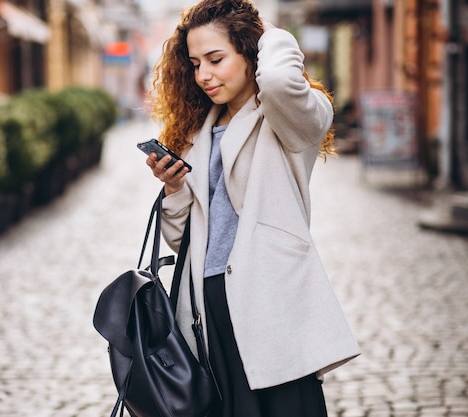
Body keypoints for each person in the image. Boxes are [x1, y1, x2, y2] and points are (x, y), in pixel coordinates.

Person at [143, 0, 361, 415]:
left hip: (269, 303)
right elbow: (183, 241)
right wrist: (174, 189)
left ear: (251, 52)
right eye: (194, 63)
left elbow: (279, 81)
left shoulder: (290, 117)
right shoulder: (198, 132)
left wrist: (272, 34)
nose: (203, 75)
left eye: (216, 58)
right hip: (207, 305)